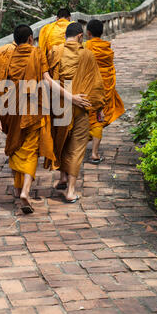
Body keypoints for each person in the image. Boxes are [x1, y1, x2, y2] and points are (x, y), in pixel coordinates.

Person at [0, 24, 91, 214]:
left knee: (15, 147)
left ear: (15, 40)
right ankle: (26, 191)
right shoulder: (37, 54)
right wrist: (71, 97)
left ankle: (17, 187)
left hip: (10, 109)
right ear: (30, 39)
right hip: (33, 109)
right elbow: (47, 80)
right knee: (30, 150)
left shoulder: (6, 55)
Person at [47, 22, 106, 203]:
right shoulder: (87, 54)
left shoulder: (54, 52)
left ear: (66, 36)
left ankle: (62, 177)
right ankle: (71, 190)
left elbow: (46, 78)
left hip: (59, 106)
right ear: (80, 36)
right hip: (81, 106)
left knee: (61, 141)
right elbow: (96, 84)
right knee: (76, 147)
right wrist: (99, 109)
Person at [85, 19, 125, 163]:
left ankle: (78, 148)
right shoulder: (107, 49)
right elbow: (110, 69)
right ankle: (94, 153)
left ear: (87, 32)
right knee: (98, 119)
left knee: (87, 117)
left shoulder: (86, 47)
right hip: (104, 87)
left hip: (90, 87)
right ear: (102, 32)